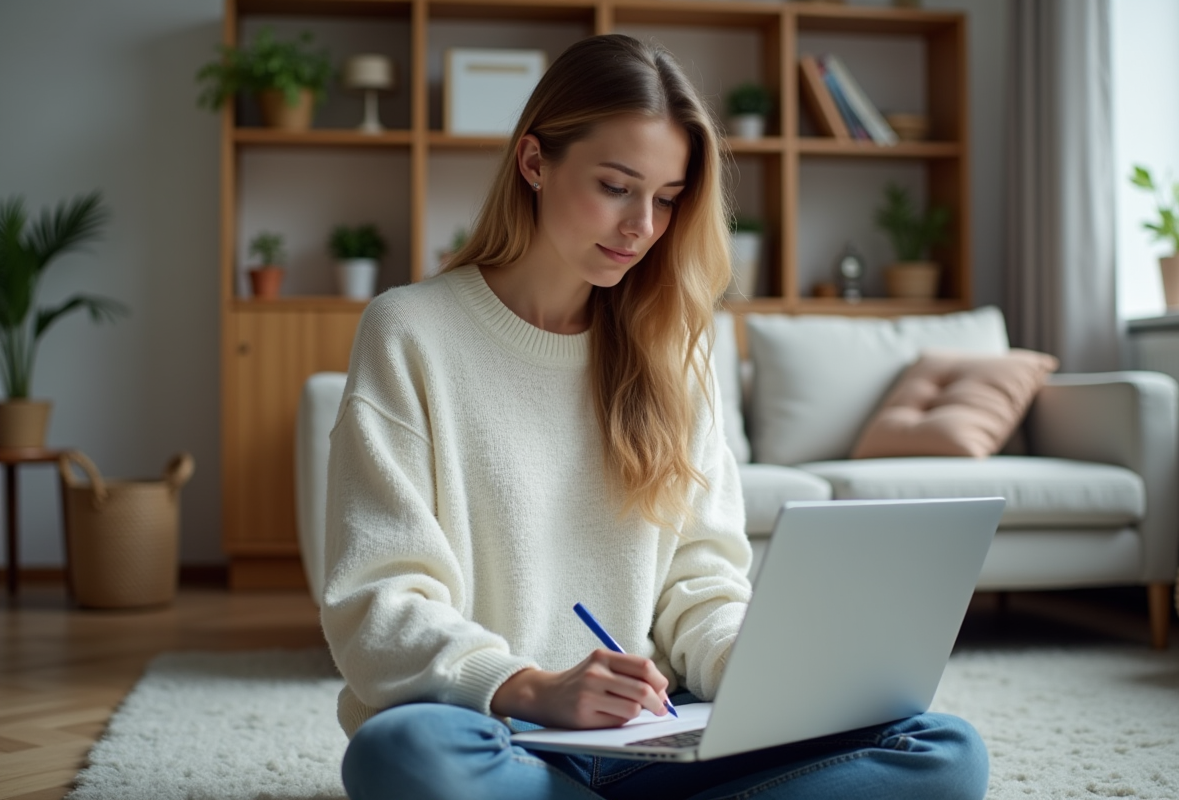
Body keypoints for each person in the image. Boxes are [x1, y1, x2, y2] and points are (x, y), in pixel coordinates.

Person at [321, 33, 989, 800]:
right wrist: (531, 685)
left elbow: (700, 583)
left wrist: (756, 669)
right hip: (503, 734)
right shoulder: (411, 331)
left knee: (942, 750)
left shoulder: (675, 346)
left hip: (657, 735)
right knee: (401, 753)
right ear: (535, 163)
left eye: (668, 199)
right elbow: (380, 602)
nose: (643, 225)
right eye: (616, 186)